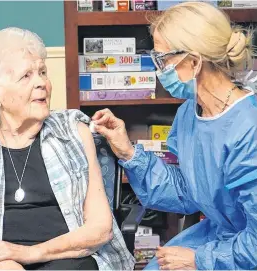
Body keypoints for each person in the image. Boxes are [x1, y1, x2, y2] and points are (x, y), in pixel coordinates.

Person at [0, 27, 135, 271]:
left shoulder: (73, 132)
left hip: (65, 257)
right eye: (26, 76)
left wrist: (28, 254)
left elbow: (100, 228)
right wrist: (2, 263)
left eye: (42, 72)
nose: (42, 83)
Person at [91, 2, 257, 270]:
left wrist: (199, 260)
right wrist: (128, 152)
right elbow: (185, 192)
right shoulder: (190, 114)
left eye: (162, 59)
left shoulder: (249, 128)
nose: (159, 71)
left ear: (193, 61)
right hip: (219, 238)